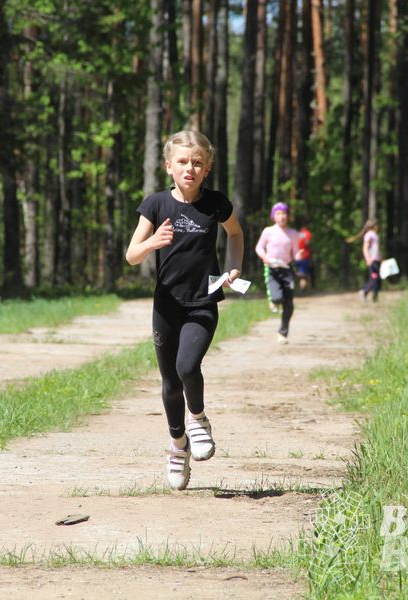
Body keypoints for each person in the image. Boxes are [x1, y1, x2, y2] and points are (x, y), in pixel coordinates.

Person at [125, 130, 244, 491]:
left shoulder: (216, 204)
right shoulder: (156, 204)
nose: (189, 168)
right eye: (182, 162)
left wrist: (234, 268)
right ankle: (178, 447)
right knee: (169, 383)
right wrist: (152, 242)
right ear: (168, 166)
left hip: (203, 302)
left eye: (197, 163)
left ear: (206, 169)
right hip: (167, 305)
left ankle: (199, 419)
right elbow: (131, 256)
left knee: (187, 366)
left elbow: (235, 235)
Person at [255, 202, 303, 344]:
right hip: (271, 269)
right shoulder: (268, 231)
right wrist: (264, 257)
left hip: (287, 269)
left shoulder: (293, 234)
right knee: (277, 298)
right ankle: (273, 301)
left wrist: (299, 255)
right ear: (273, 216)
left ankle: (282, 333)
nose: (282, 217)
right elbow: (259, 247)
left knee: (289, 304)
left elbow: (294, 253)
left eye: (284, 214)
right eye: (279, 214)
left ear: (288, 216)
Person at [347, 218, 382, 302]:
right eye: (377, 225)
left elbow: (377, 249)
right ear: (374, 226)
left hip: (377, 259)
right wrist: (368, 258)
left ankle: (375, 297)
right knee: (374, 277)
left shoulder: (375, 235)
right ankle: (364, 291)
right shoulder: (369, 235)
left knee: (378, 279)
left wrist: (381, 258)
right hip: (372, 260)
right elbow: (365, 248)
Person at [294, 219, 314, 292]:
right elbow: (307, 243)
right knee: (305, 274)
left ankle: (302, 288)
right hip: (305, 256)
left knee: (302, 273)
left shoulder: (297, 233)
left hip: (297, 256)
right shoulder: (307, 233)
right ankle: (305, 289)